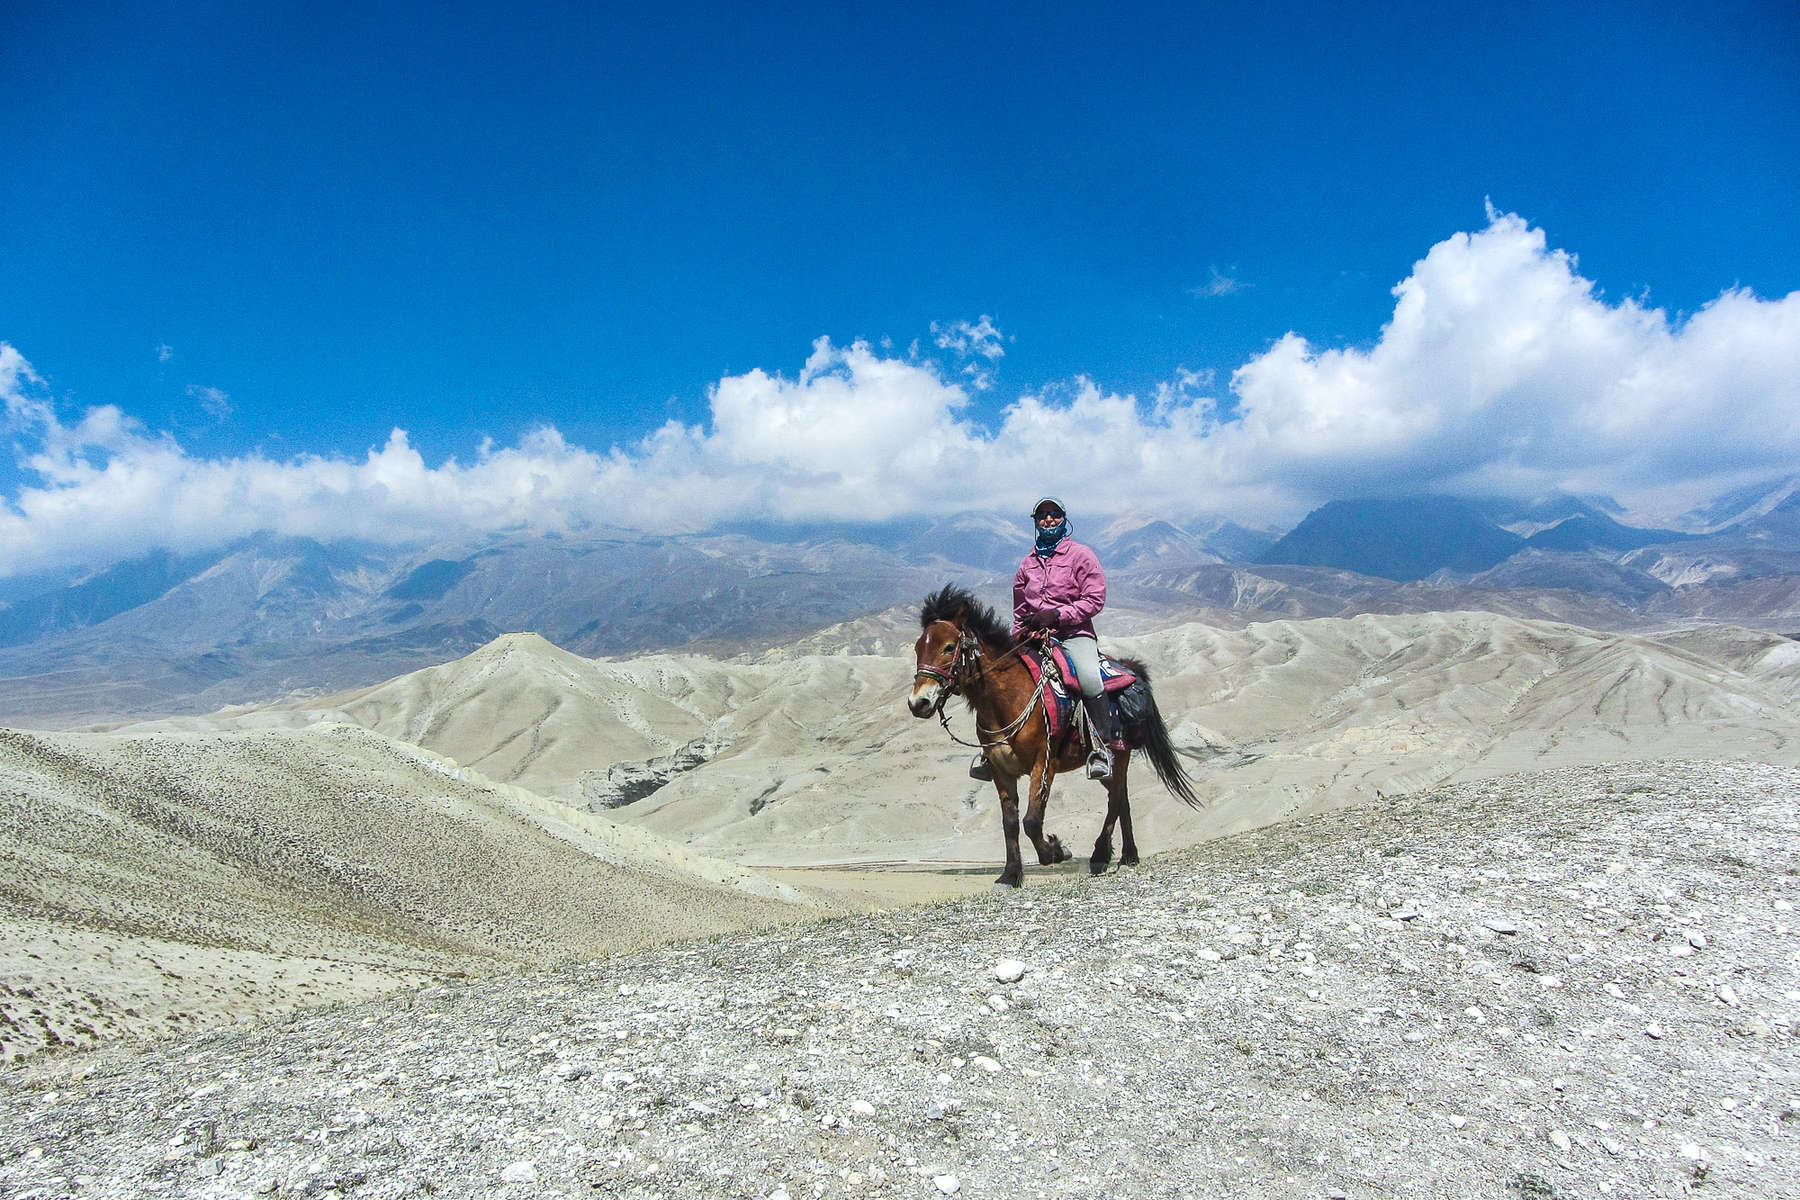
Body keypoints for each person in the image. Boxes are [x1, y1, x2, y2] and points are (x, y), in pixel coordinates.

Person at [971, 497, 1120, 782]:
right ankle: (990, 751)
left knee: (1089, 677)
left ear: (1064, 518)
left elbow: (1095, 598)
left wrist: (1059, 615)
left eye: (1054, 514)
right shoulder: (1028, 563)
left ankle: (1102, 749)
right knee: (995, 677)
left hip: (1074, 635)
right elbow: (1020, 608)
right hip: (1033, 636)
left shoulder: (1081, 556)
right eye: (1042, 515)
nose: (1048, 519)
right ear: (1036, 521)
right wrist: (1018, 636)